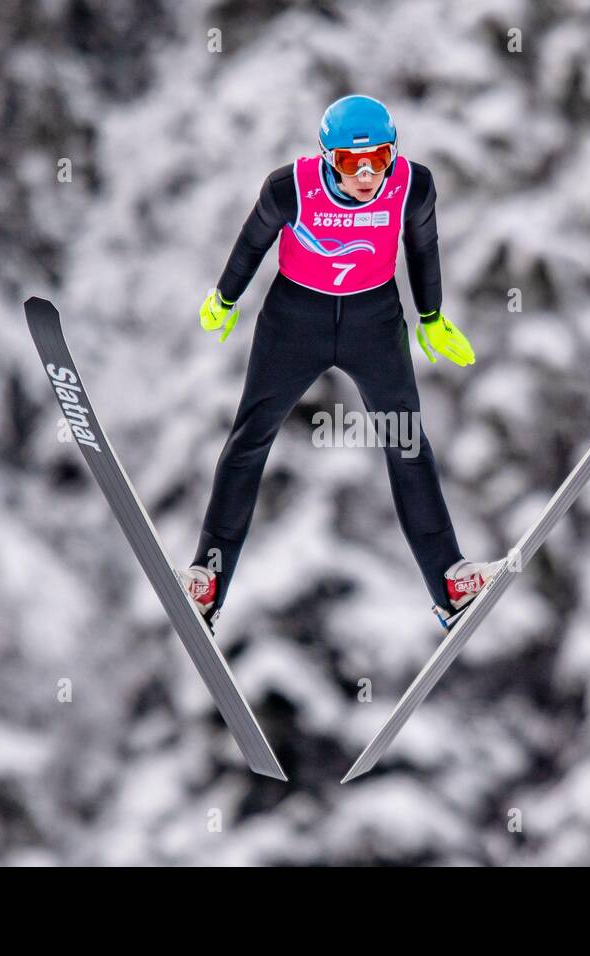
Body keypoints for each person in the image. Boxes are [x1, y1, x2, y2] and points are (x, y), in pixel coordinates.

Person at [178, 94, 501, 631]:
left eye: (379, 157)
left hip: (373, 322)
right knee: (250, 438)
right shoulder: (289, 188)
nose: (368, 173)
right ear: (329, 158)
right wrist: (226, 296)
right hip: (293, 320)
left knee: (406, 440)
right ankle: (207, 583)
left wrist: (432, 315)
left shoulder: (412, 186)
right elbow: (253, 241)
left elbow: (423, 246)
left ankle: (450, 582)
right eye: (353, 163)